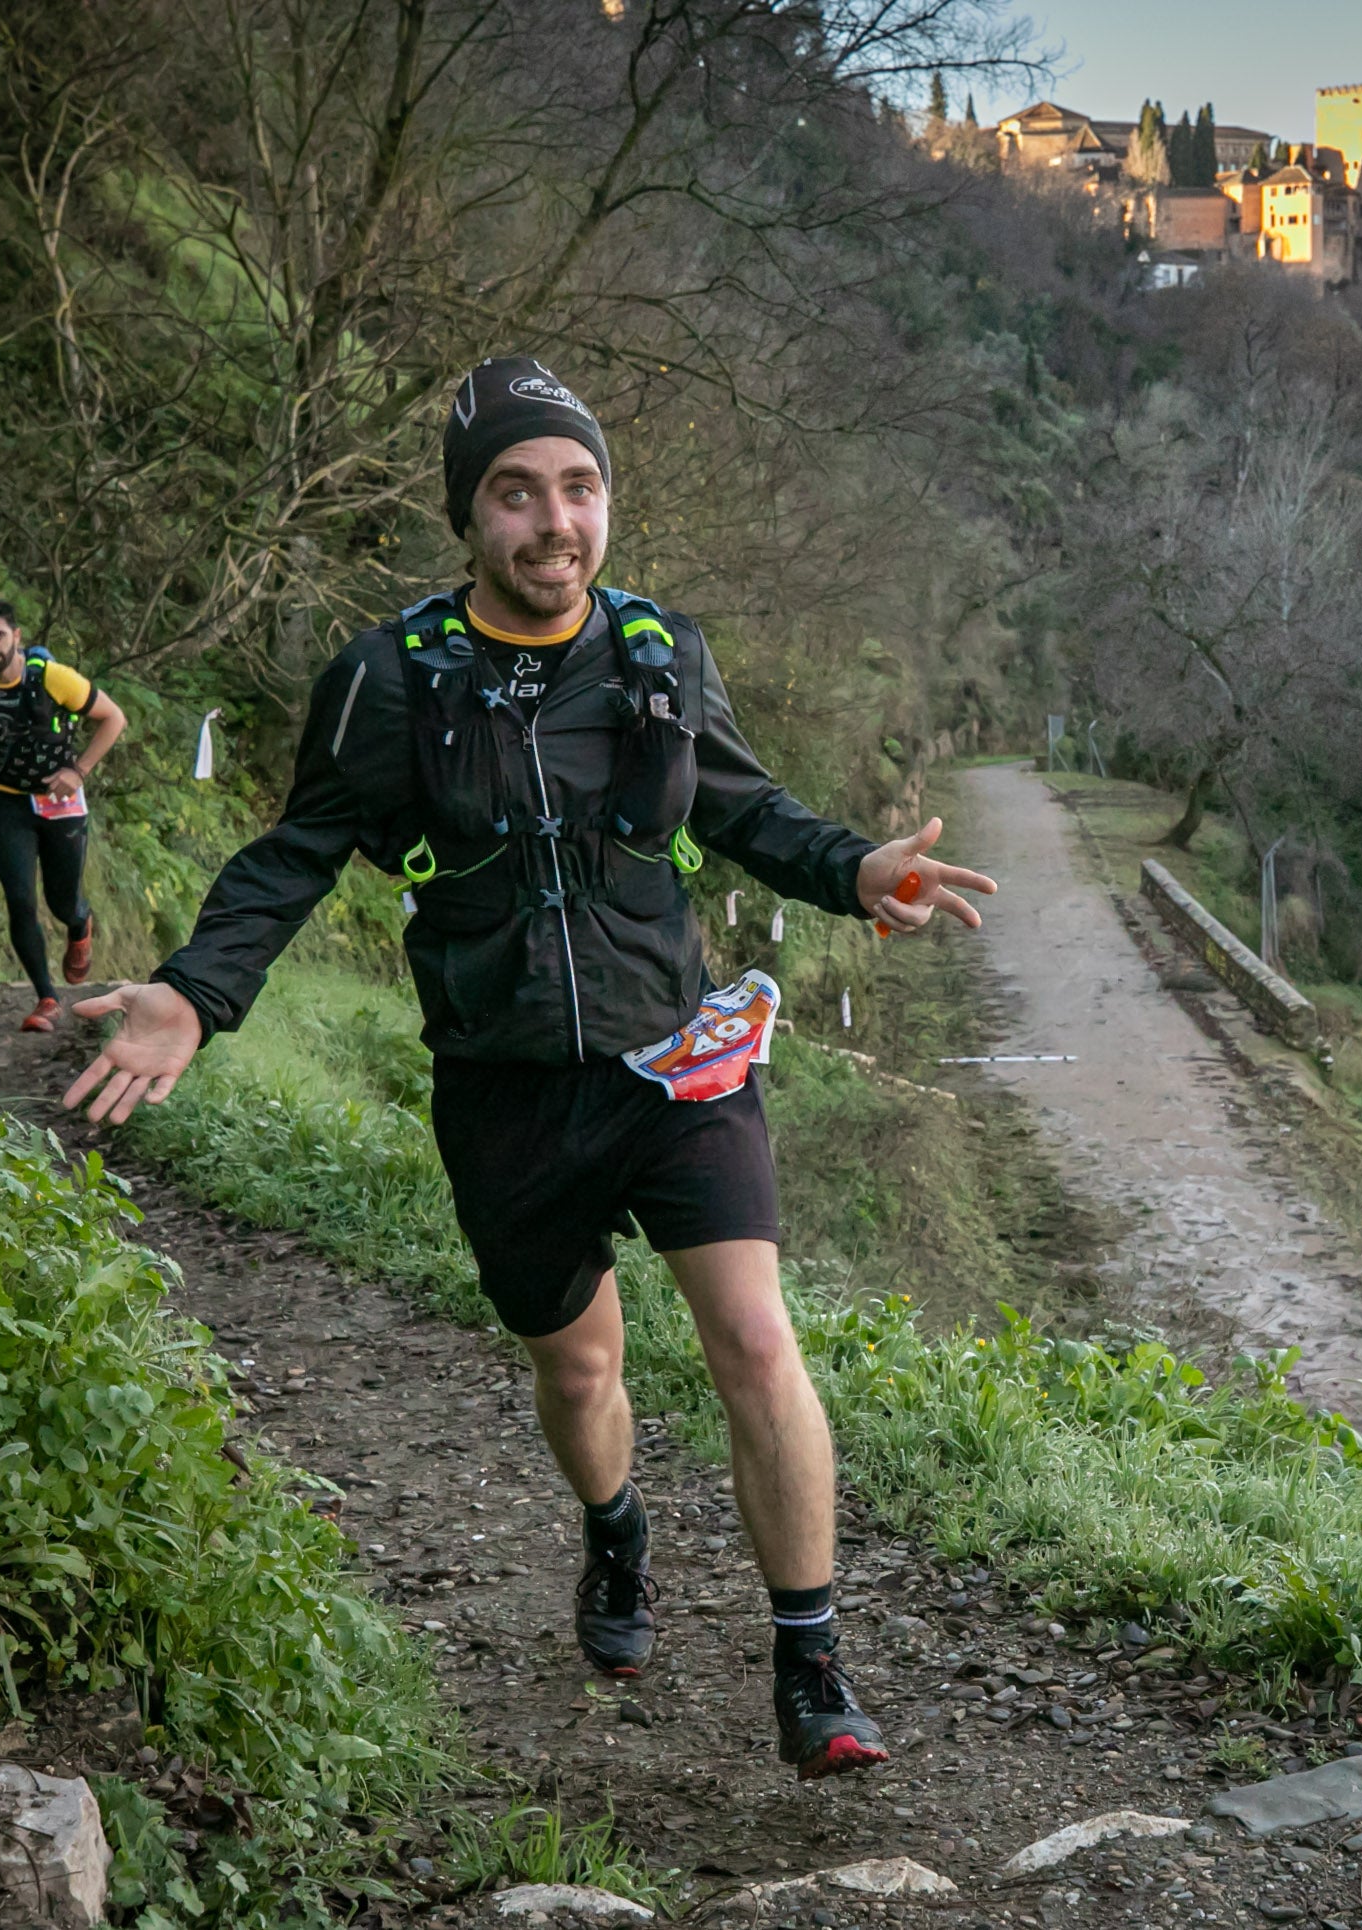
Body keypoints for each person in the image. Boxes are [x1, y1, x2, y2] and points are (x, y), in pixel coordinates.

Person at [60, 357, 997, 1781]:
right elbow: (293, 856)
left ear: (606, 504)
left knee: (754, 1337)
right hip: (503, 1085)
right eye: (517, 491)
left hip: (680, 1058)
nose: (553, 520)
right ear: (470, 514)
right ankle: (615, 1529)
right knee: (579, 1365)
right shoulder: (387, 681)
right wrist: (196, 995)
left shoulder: (659, 652)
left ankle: (811, 1658)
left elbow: (746, 810)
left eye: (578, 487)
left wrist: (856, 867)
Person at [0, 598, 127, 1032]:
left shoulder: (52, 678)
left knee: (61, 901)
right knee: (20, 900)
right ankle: (46, 999)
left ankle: (80, 924)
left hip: (61, 803)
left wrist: (79, 770)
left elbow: (113, 717)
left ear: (16, 637)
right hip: (7, 802)